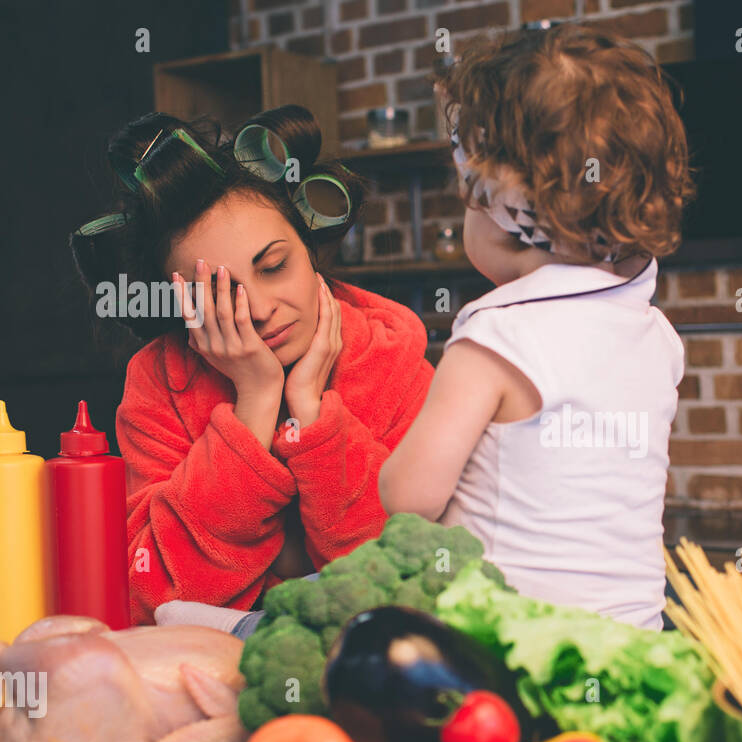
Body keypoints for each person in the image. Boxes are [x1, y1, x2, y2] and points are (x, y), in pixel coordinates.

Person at [379, 23, 696, 630]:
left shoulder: (496, 339)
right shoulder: (657, 337)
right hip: (634, 637)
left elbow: (408, 498)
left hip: (509, 646)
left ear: (492, 206)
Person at [70, 106, 433, 625]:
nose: (260, 310)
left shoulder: (391, 362)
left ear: (310, 249)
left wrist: (314, 418)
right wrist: (255, 405)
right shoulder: (159, 383)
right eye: (219, 295)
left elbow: (407, 584)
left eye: (274, 267)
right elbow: (154, 594)